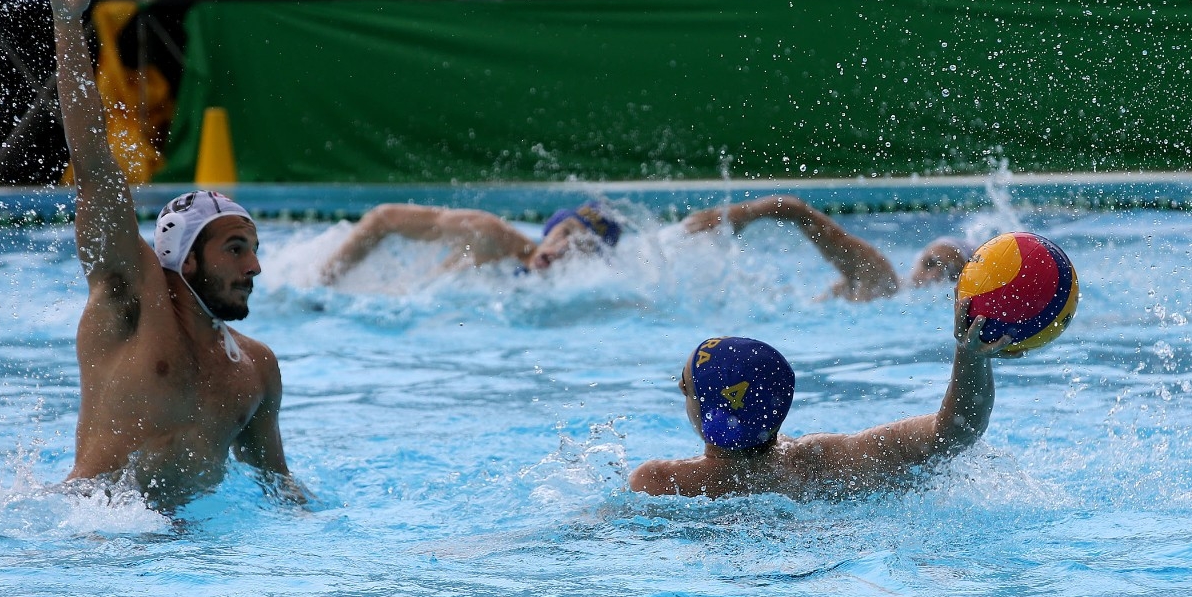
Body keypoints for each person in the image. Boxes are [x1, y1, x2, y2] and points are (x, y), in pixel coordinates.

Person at [21, 0, 306, 512]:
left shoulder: (255, 368)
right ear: (186, 257)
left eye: (252, 247)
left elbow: (279, 488)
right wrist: (69, 22)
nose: (254, 265)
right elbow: (94, 162)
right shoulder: (129, 298)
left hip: (189, 554)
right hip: (90, 538)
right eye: (234, 248)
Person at [628, 299, 1015, 498]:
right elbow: (954, 432)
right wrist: (970, 356)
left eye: (685, 387)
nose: (681, 391)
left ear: (708, 410)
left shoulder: (662, 482)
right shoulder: (824, 463)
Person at [683, 194, 970, 302]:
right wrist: (741, 214)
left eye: (949, 274)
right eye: (931, 264)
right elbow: (794, 208)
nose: (933, 277)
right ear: (918, 259)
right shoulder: (880, 276)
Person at [318, 200, 623, 283]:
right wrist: (327, 279)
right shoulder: (487, 234)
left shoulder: (575, 303)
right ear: (551, 227)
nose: (562, 249)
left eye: (582, 246)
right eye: (566, 233)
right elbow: (383, 218)